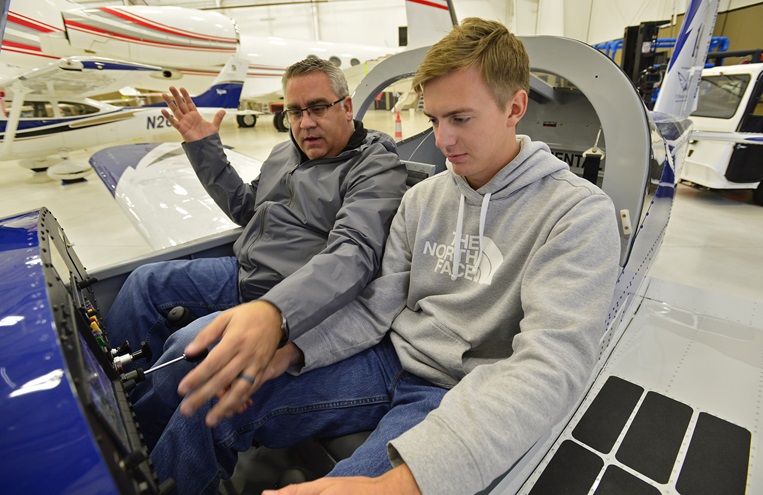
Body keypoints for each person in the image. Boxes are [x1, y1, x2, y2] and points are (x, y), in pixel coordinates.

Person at [147, 18, 622, 495]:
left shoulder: (576, 215)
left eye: (460, 118)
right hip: (385, 359)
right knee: (215, 407)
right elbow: (377, 304)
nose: (442, 140)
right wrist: (292, 351)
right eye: (434, 120)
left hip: (459, 391)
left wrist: (395, 486)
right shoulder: (425, 200)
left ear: (514, 107)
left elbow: (550, 366)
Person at [104, 56, 407, 449]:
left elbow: (353, 255)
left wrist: (275, 311)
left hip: (289, 297)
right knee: (144, 282)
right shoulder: (285, 153)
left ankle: (130, 447)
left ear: (346, 107)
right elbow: (245, 207)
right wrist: (203, 147)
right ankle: (112, 400)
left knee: (188, 348)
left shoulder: (375, 167)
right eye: (294, 112)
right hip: (243, 272)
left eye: (317, 108)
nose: (305, 123)